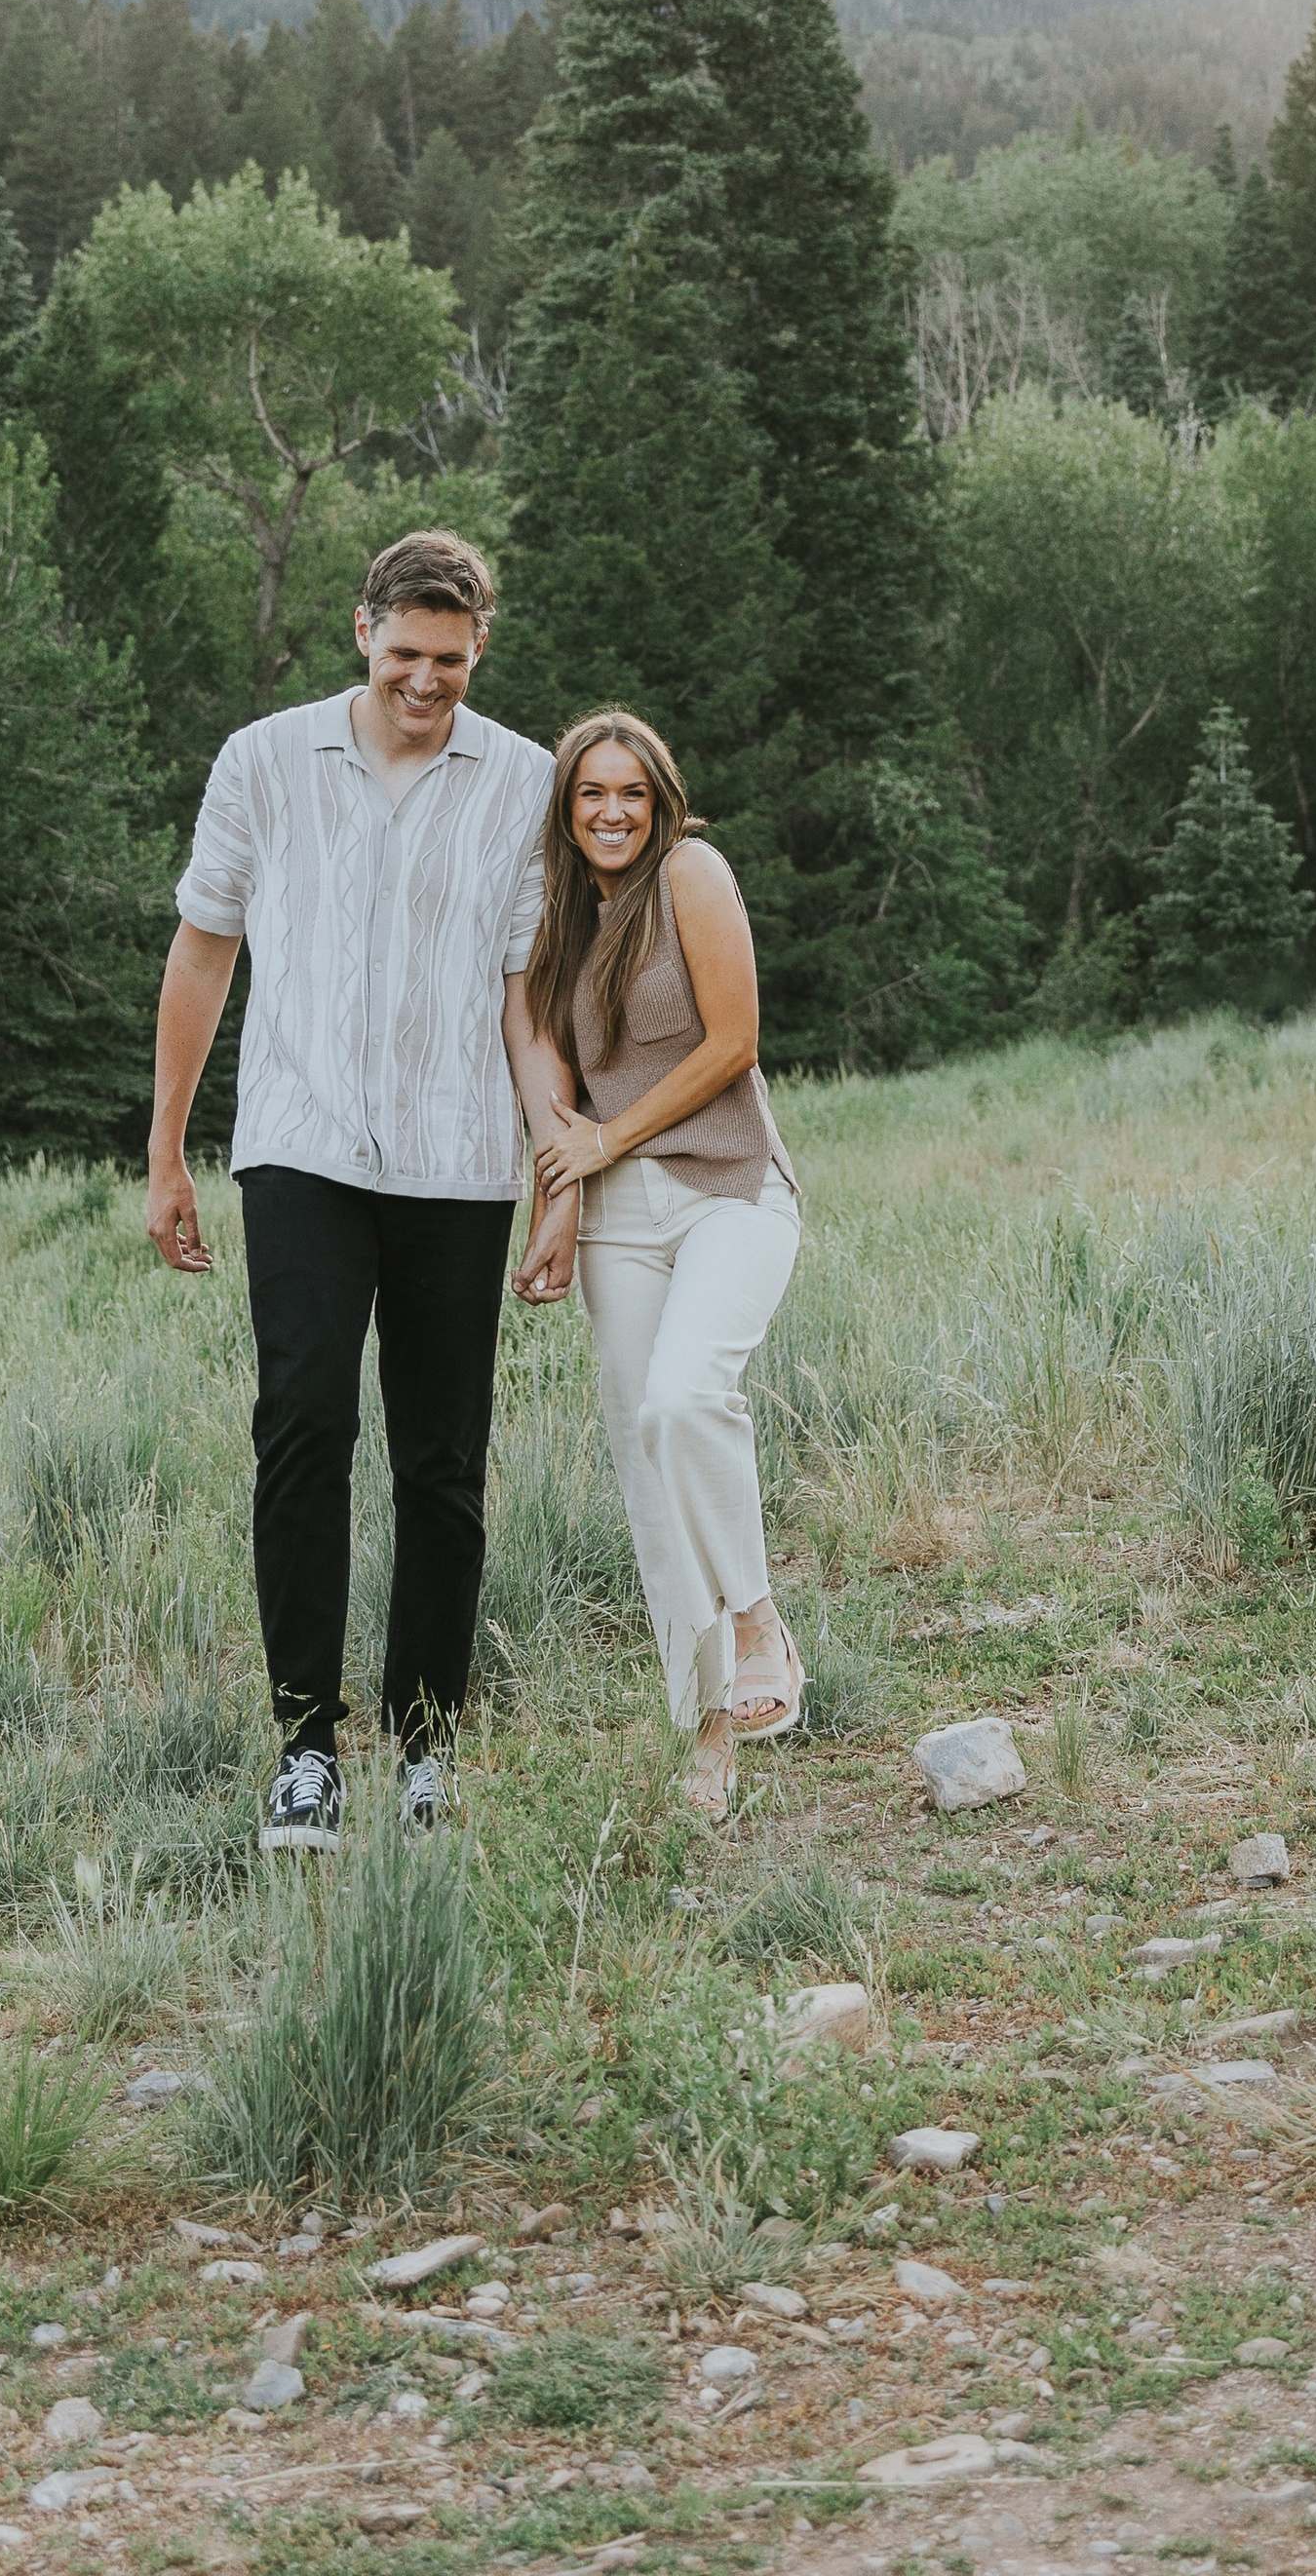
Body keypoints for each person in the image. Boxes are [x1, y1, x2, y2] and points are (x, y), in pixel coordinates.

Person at [147, 529, 577, 1853]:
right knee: (303, 1431)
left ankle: (425, 1745)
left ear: (479, 649)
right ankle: (307, 1748)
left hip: (458, 1161)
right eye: (405, 657)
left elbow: (527, 994)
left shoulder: (525, 781)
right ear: (361, 634)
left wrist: (556, 1167)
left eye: (450, 662)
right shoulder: (266, 762)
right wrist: (166, 1148)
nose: (426, 682)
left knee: (443, 1463)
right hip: (302, 1150)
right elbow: (204, 952)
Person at [526, 710, 803, 1821]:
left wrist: (609, 1136)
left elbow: (732, 1041)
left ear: (660, 801)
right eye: (590, 793)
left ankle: (753, 1616)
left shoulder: (691, 872)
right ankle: (705, 1735)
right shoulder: (553, 924)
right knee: (643, 1462)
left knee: (687, 1398)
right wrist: (556, 1205)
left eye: (629, 792)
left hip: (727, 1184)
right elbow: (551, 1097)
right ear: (565, 806)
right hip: (613, 1215)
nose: (610, 811)